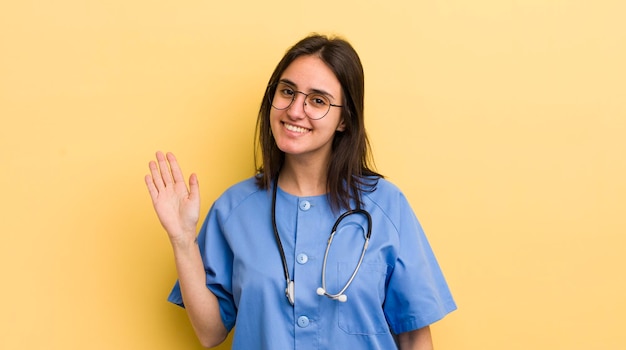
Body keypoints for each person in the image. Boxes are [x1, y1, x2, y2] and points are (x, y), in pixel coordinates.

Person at [145, 34, 456, 350]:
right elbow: (211, 333)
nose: (295, 110)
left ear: (344, 120)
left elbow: (415, 336)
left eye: (318, 100)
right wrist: (182, 239)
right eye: (287, 92)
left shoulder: (387, 206)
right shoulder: (233, 209)